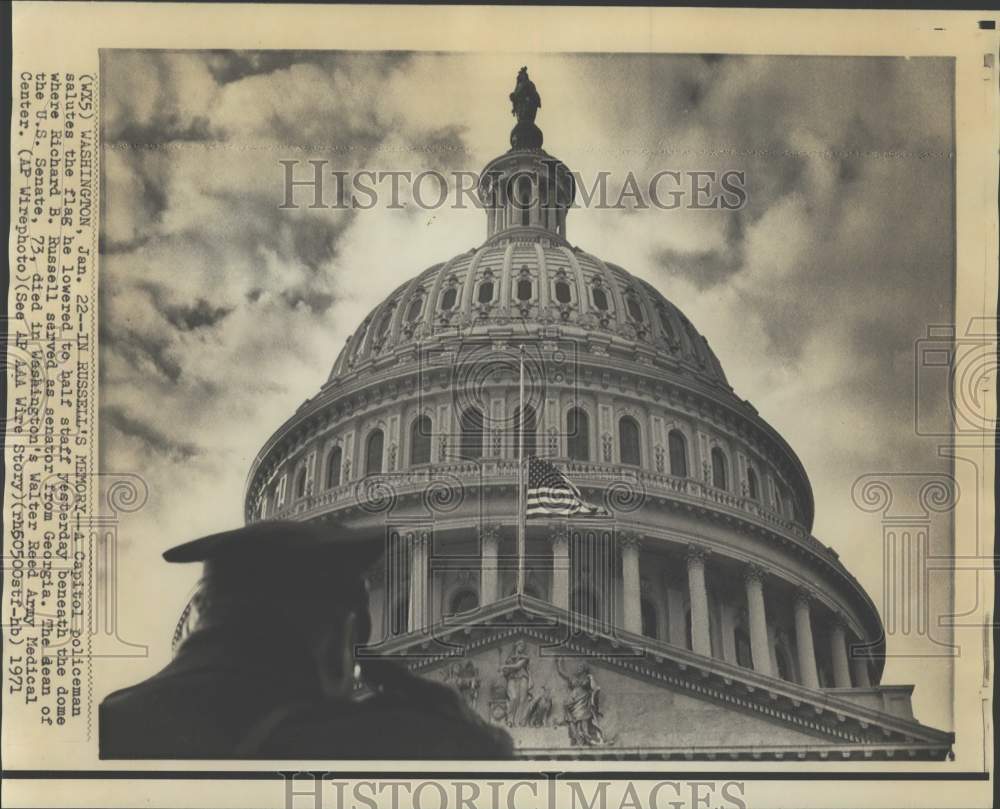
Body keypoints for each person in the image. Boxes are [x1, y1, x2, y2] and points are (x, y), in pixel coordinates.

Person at [99, 520, 513, 759]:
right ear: (337, 641)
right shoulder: (397, 746)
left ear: (198, 620)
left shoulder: (102, 727)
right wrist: (468, 734)